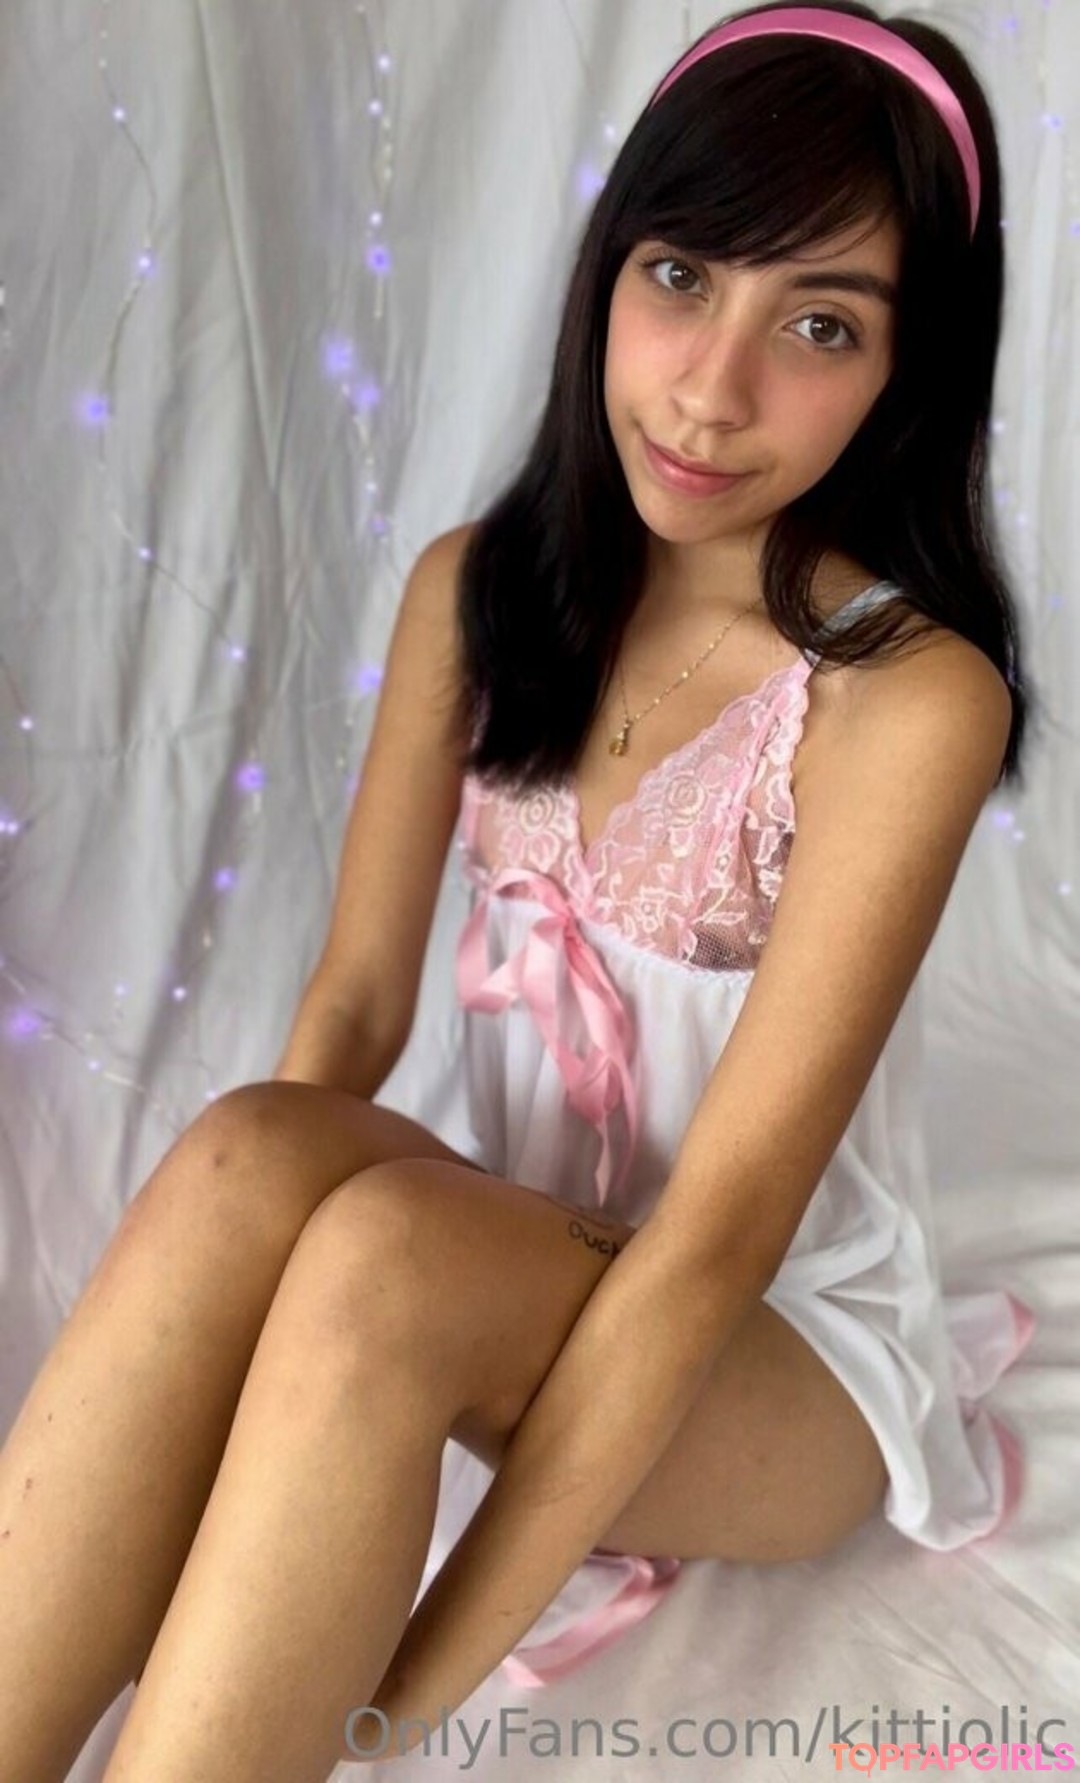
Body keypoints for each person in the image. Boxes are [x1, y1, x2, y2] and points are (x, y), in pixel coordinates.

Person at [0, 4, 1040, 1778]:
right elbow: (351, 1012)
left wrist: (413, 1672)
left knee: (390, 1255)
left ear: (906, 366)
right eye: (680, 276)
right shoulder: (476, 591)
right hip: (518, 1253)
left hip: (771, 1342)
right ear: (606, 269)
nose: (711, 389)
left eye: (820, 325)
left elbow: (719, 1237)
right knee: (254, 1143)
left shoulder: (902, 696)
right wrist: (220, 1377)